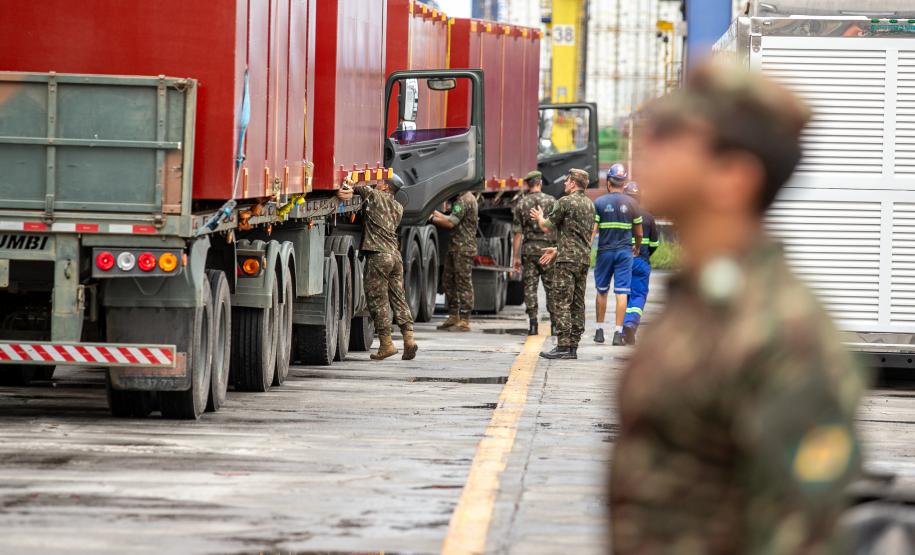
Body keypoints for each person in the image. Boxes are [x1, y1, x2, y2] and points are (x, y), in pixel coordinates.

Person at [609, 62, 866, 554]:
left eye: (669, 135)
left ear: (733, 178)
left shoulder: (784, 333)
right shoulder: (705, 302)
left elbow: (801, 532)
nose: (645, 149)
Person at [336, 174, 417, 361]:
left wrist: (349, 183)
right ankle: (409, 338)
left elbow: (355, 185)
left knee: (378, 301)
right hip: (395, 256)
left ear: (386, 188)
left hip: (378, 255)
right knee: (398, 298)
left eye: (381, 182)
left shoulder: (375, 196)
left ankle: (386, 344)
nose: (377, 184)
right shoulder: (398, 207)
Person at [530, 169, 596, 360]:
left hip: (567, 261)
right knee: (577, 302)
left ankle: (563, 345)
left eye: (567, 180)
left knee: (561, 301)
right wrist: (557, 249)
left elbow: (546, 226)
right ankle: (573, 346)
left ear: (574, 183)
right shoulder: (590, 205)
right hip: (582, 259)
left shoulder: (565, 202)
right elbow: (578, 236)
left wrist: (540, 216)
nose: (565, 184)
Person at [593, 164, 643, 346]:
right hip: (624, 252)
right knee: (622, 292)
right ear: (624, 183)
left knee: (602, 290)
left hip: (605, 251)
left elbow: (593, 231)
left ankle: (599, 331)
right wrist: (636, 247)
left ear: (608, 182)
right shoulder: (633, 204)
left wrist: (587, 246)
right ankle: (617, 333)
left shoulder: (598, 203)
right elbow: (639, 233)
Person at [512, 170, 557, 336]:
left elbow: (517, 233)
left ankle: (532, 324)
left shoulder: (521, 204)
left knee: (530, 288)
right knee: (551, 287)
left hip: (529, 251)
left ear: (527, 185)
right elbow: (556, 226)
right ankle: (555, 325)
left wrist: (515, 257)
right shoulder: (552, 201)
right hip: (548, 251)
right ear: (540, 183)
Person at [430, 190, 479, 332]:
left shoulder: (464, 200)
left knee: (463, 283)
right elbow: (451, 217)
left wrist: (432, 219)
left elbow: (450, 223)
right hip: (456, 247)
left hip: (463, 249)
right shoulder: (466, 198)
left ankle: (464, 319)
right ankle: (454, 316)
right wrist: (434, 212)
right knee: (448, 281)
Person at [620, 181, 659, 345]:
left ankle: (623, 330)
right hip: (641, 262)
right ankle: (630, 324)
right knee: (639, 295)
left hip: (623, 262)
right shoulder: (649, 217)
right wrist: (644, 256)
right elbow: (654, 244)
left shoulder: (621, 214)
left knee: (624, 295)